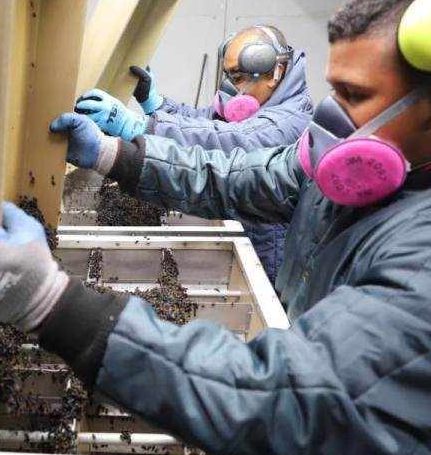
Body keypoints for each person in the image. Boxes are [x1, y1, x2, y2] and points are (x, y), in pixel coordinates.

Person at [0, 0, 431, 455]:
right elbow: (244, 176)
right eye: (334, 89)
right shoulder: (373, 160)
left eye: (355, 96)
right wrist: (117, 155)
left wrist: (52, 304)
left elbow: (296, 402)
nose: (332, 116)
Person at [75, 26, 313, 282]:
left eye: (237, 76)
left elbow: (223, 140)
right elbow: (204, 121)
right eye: (228, 75)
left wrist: (141, 126)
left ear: (274, 73)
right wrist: (155, 103)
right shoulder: (266, 100)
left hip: (266, 253)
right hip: (247, 226)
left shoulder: (287, 122)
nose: (231, 87)